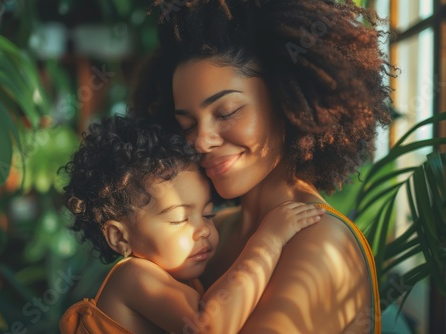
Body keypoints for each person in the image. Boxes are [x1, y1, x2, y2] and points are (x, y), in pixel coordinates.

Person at [131, 0, 393, 332]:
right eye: (187, 125)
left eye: (225, 112)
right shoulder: (210, 234)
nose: (200, 141)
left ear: (287, 104)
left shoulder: (320, 241)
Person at [58, 116, 324, 333]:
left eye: (208, 214)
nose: (204, 229)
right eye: (179, 219)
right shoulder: (132, 276)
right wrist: (268, 241)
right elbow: (209, 327)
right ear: (119, 238)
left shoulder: (185, 278)